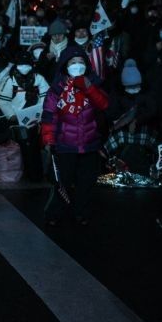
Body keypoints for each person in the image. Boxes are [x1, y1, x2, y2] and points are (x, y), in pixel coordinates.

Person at [41, 44, 109, 226]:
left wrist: (88, 87)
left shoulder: (93, 84)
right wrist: (48, 139)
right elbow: (49, 115)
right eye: (73, 62)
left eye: (81, 62)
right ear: (65, 65)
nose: (77, 65)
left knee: (86, 183)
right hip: (65, 144)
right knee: (63, 182)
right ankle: (54, 213)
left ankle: (81, 212)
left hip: (89, 142)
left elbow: (103, 105)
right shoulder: (57, 89)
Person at [0, 49, 50, 182]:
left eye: (27, 64)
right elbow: (2, 99)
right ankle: (21, 172)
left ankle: (35, 175)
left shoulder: (39, 78)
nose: (24, 67)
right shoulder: (9, 80)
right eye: (21, 64)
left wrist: (40, 113)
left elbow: (46, 97)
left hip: (34, 119)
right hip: (15, 120)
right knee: (19, 148)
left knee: (34, 148)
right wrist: (11, 115)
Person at [104, 60, 158, 173]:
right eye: (130, 87)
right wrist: (124, 119)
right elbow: (111, 113)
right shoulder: (117, 94)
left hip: (144, 130)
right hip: (122, 132)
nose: (133, 90)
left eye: (136, 86)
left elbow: (152, 110)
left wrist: (137, 120)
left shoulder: (146, 93)